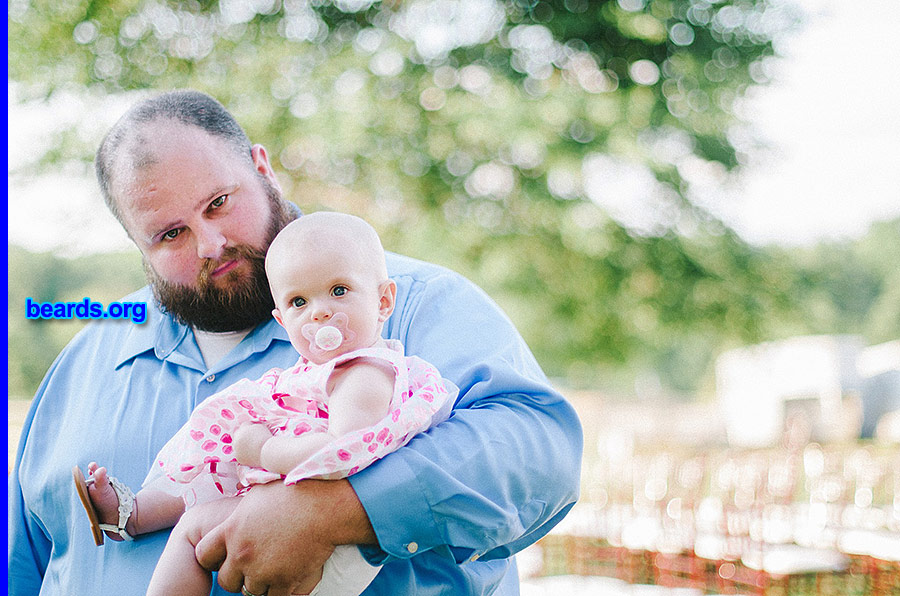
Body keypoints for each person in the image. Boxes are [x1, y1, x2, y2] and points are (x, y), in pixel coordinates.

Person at [8, 90, 583, 596]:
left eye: (219, 203)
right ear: (137, 242)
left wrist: (338, 511)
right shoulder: (80, 365)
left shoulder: (412, 301)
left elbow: (540, 452)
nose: (210, 244)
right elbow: (25, 568)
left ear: (263, 169)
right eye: (171, 233)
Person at [76, 212, 457, 596]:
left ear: (383, 301)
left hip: (320, 531)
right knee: (212, 467)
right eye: (298, 302)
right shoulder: (324, 371)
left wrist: (263, 449)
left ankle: (137, 517)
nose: (319, 311)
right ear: (281, 319)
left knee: (193, 532)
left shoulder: (364, 375)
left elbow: (342, 452)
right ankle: (134, 513)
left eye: (339, 290)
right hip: (289, 491)